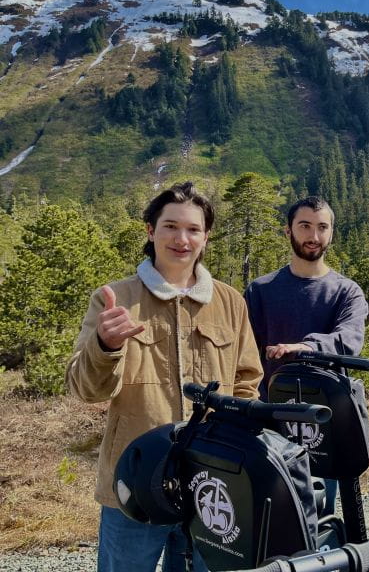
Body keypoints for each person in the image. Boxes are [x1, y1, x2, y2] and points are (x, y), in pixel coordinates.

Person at [66, 181, 263, 572]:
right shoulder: (115, 300)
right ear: (150, 230)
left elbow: (247, 379)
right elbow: (84, 389)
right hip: (135, 478)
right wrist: (105, 346)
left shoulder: (230, 302)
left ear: (206, 237)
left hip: (212, 483)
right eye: (170, 226)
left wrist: (236, 450)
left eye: (193, 229)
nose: (181, 239)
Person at [244, 196, 369, 516]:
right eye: (305, 226)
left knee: (320, 516)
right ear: (288, 231)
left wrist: (309, 347)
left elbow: (349, 339)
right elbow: (243, 352)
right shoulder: (261, 290)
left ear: (331, 233)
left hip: (324, 423)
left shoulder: (347, 291)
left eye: (322, 228)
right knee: (270, 516)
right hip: (269, 421)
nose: (313, 236)